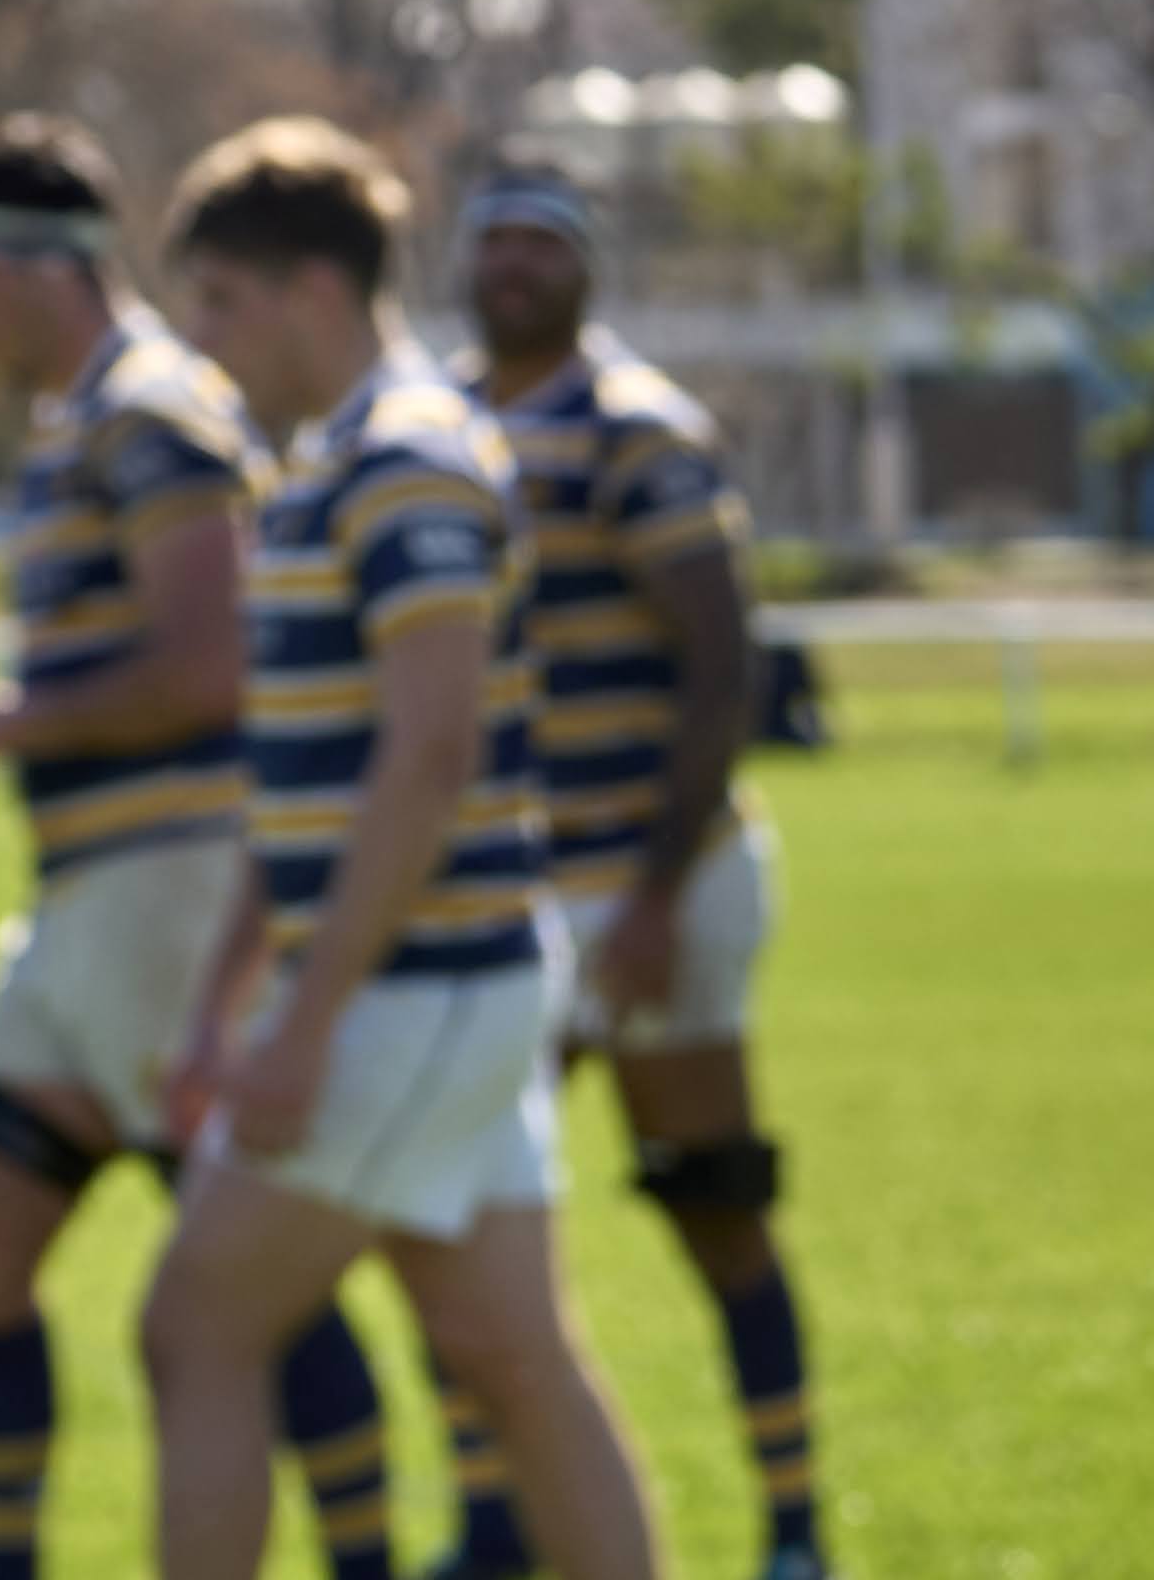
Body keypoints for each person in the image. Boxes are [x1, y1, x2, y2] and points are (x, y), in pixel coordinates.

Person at [0, 118, 400, 1580]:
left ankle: (365, 1558)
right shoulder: (79, 421)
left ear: (40, 272)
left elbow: (210, 662)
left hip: (174, 888)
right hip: (89, 908)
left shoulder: (150, 408)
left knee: (246, 1282)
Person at [139, 121, 659, 1580]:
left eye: (220, 304)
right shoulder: (327, 463)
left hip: (417, 993)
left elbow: (426, 760)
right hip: (425, 991)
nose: (201, 341)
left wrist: (300, 1024)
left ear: (312, 290)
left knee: (193, 1328)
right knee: (514, 1359)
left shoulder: (408, 458)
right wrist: (221, 1003)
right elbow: (302, 777)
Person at [457, 154, 829, 1580]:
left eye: (540, 244)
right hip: (516, 891)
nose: (513, 266)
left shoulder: (635, 429)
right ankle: (493, 1525)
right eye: (495, 240)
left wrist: (658, 892)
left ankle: (792, 1526)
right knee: (471, 1210)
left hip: (642, 885)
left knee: (710, 1198)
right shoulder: (448, 421)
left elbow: (722, 658)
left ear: (584, 266)